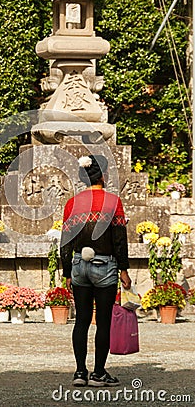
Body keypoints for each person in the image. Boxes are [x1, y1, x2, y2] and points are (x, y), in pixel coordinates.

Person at [60, 154, 131, 387]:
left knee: (81, 321)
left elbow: (65, 242)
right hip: (105, 264)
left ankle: (80, 372)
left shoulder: (72, 203)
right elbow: (120, 239)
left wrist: (67, 272)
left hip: (79, 264)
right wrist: (123, 269)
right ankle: (99, 373)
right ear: (103, 175)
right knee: (103, 321)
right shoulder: (113, 202)